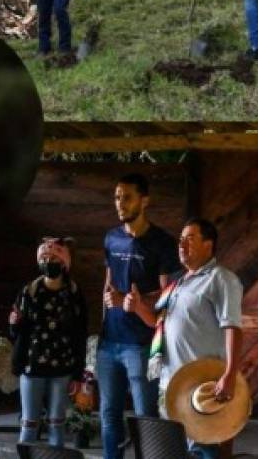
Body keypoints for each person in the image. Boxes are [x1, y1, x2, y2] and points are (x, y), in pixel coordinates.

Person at [145, 218, 244, 459]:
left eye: (190, 238)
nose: (181, 244)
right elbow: (157, 321)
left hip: (202, 384)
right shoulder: (178, 282)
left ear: (208, 245)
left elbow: (233, 327)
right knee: (173, 450)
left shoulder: (222, 279)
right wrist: (136, 306)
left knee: (203, 448)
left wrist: (230, 374)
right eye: (181, 239)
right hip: (170, 382)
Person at [97, 173, 180, 459]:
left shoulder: (162, 243)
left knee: (147, 419)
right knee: (108, 416)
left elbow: (168, 295)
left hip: (142, 344)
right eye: (117, 197)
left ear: (145, 201)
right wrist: (107, 315)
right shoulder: (111, 238)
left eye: (127, 197)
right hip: (109, 344)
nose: (120, 203)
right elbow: (108, 285)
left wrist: (137, 301)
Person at [9, 238, 87, 449]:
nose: (48, 261)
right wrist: (14, 323)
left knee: (57, 424)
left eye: (53, 258)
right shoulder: (29, 291)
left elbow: (80, 334)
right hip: (31, 366)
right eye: (44, 258)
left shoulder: (72, 293)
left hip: (62, 368)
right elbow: (16, 331)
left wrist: (78, 373)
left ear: (64, 263)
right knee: (29, 424)